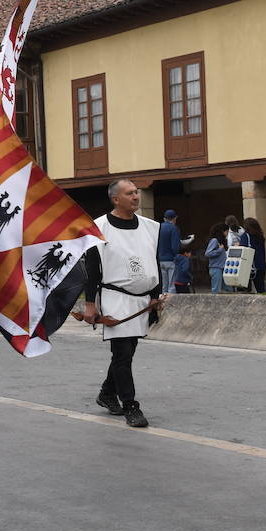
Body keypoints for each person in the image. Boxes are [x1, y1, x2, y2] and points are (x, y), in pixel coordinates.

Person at [79, 179, 168, 429]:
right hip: (115, 298)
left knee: (128, 351)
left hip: (142, 299)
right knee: (122, 353)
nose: (136, 197)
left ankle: (107, 392)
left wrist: (155, 296)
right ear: (116, 199)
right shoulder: (98, 227)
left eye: (137, 192)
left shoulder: (151, 227)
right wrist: (89, 304)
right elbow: (92, 270)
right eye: (130, 193)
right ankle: (130, 405)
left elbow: (155, 262)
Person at [157, 210, 183, 292]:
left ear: (165, 219)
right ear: (174, 218)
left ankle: (163, 303)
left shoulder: (158, 227)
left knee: (164, 285)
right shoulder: (174, 228)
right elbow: (175, 246)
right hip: (171, 260)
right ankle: (171, 303)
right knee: (172, 285)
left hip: (161, 259)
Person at [241, 217, 266, 293]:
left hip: (248, 266)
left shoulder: (245, 236)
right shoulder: (260, 236)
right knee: (261, 289)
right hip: (260, 265)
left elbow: (244, 250)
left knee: (246, 290)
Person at [204, 223, 228, 294]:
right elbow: (208, 253)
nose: (227, 233)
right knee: (216, 290)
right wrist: (219, 250)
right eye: (226, 231)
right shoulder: (214, 241)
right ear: (222, 231)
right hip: (216, 268)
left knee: (227, 289)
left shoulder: (221, 242)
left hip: (221, 267)